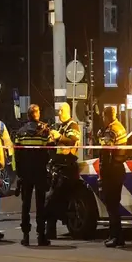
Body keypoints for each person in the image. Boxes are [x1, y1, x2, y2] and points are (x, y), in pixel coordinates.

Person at [14, 104, 52, 246]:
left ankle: (25, 236)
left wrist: (19, 173)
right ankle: (41, 235)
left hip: (25, 173)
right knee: (40, 204)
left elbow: (17, 155)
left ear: (28, 115)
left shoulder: (20, 132)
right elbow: (48, 151)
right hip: (40, 171)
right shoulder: (43, 131)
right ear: (37, 114)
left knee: (26, 204)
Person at [45, 102, 82, 239]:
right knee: (53, 200)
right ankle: (50, 231)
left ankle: (50, 231)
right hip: (59, 167)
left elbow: (72, 140)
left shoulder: (72, 126)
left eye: (61, 111)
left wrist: (59, 137)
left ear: (67, 111)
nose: (58, 113)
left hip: (67, 168)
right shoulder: (61, 127)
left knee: (52, 200)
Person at [98, 106, 128, 248]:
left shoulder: (111, 131)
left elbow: (106, 151)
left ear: (107, 116)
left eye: (103, 117)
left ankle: (115, 237)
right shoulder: (120, 127)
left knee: (111, 205)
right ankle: (116, 236)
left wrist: (103, 174)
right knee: (114, 204)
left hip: (111, 171)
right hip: (118, 169)